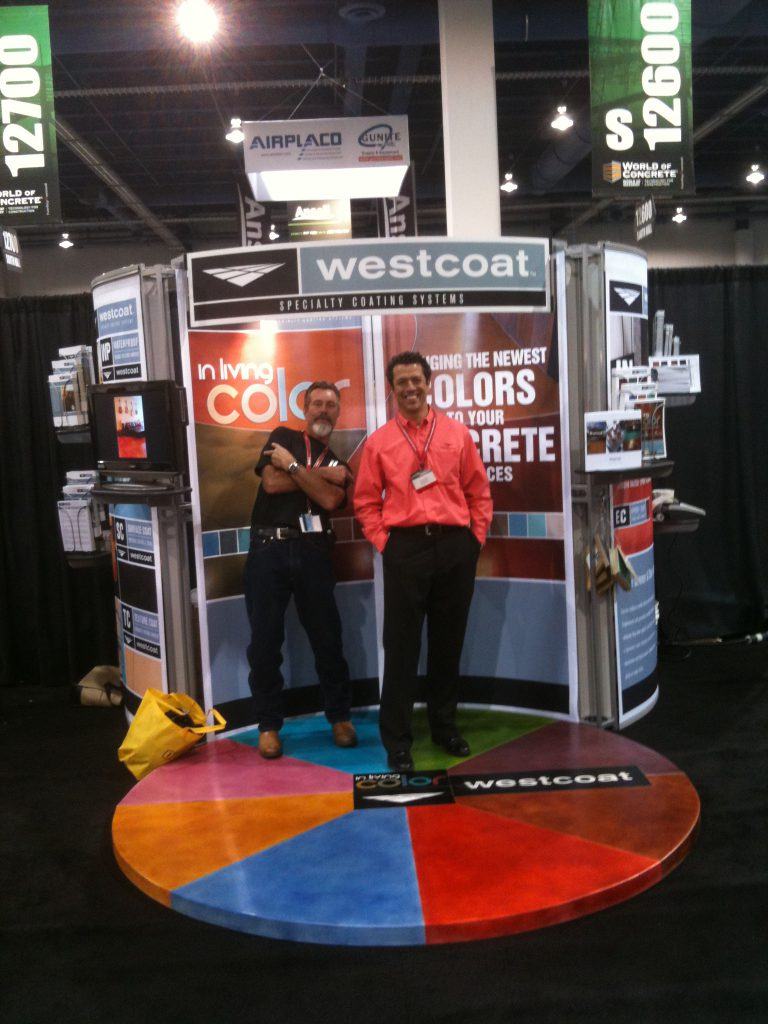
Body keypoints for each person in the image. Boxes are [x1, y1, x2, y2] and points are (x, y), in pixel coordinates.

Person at [354, 351, 492, 770]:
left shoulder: (456, 434)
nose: (410, 388)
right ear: (392, 389)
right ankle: (397, 741)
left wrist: (473, 541)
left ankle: (444, 727)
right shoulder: (379, 442)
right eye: (402, 382)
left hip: (455, 547)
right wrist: (386, 544)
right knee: (401, 647)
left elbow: (478, 492)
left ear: (429, 383)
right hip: (406, 550)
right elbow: (365, 502)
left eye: (416, 380)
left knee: (448, 643)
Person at [244, 381, 357, 759]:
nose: (323, 410)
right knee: (264, 642)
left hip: (313, 552)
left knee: (328, 639)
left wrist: (293, 469)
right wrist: (307, 470)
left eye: (330, 405)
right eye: (317, 403)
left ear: (337, 413)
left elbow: (329, 499)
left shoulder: (340, 462)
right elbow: (272, 483)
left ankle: (340, 717)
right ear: (304, 409)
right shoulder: (283, 437)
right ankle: (268, 725)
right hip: (269, 550)